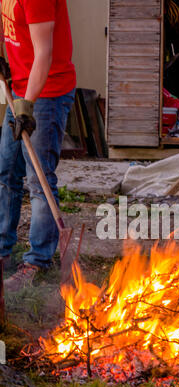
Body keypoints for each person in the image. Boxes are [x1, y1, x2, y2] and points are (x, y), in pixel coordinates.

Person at [0, 0, 76, 291]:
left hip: (46, 92)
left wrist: (26, 107)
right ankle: (3, 251)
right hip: (20, 87)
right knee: (6, 171)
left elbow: (44, 53)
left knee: (38, 178)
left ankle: (37, 260)